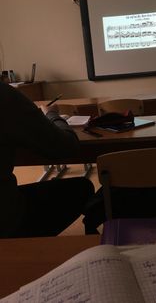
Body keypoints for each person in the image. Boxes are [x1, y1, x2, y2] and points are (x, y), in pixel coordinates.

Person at [0, 81, 95, 238]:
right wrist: (52, 115)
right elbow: (66, 147)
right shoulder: (5, 96)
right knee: (81, 188)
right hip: (6, 221)